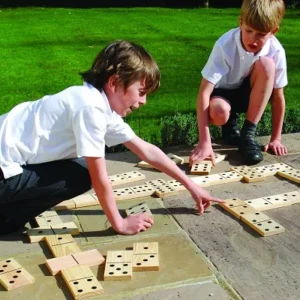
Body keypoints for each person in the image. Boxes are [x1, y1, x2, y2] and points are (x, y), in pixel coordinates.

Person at [0, 40, 223, 236]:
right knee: (83, 174)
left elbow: (147, 151)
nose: (144, 101)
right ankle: (6, 219)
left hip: (8, 164)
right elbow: (100, 177)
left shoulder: (98, 104)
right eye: (141, 92)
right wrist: (120, 223)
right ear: (114, 82)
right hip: (3, 171)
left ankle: (9, 216)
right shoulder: (90, 109)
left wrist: (192, 187)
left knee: (78, 171)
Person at [190, 0, 287, 166]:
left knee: (267, 65)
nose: (253, 39)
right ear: (240, 22)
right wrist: (204, 142)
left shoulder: (276, 51)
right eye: (249, 31)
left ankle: (247, 135)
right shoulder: (225, 45)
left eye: (261, 34)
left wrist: (276, 139)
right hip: (222, 94)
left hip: (250, 95)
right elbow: (204, 92)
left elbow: (278, 96)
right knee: (219, 112)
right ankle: (229, 128)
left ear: (273, 31)